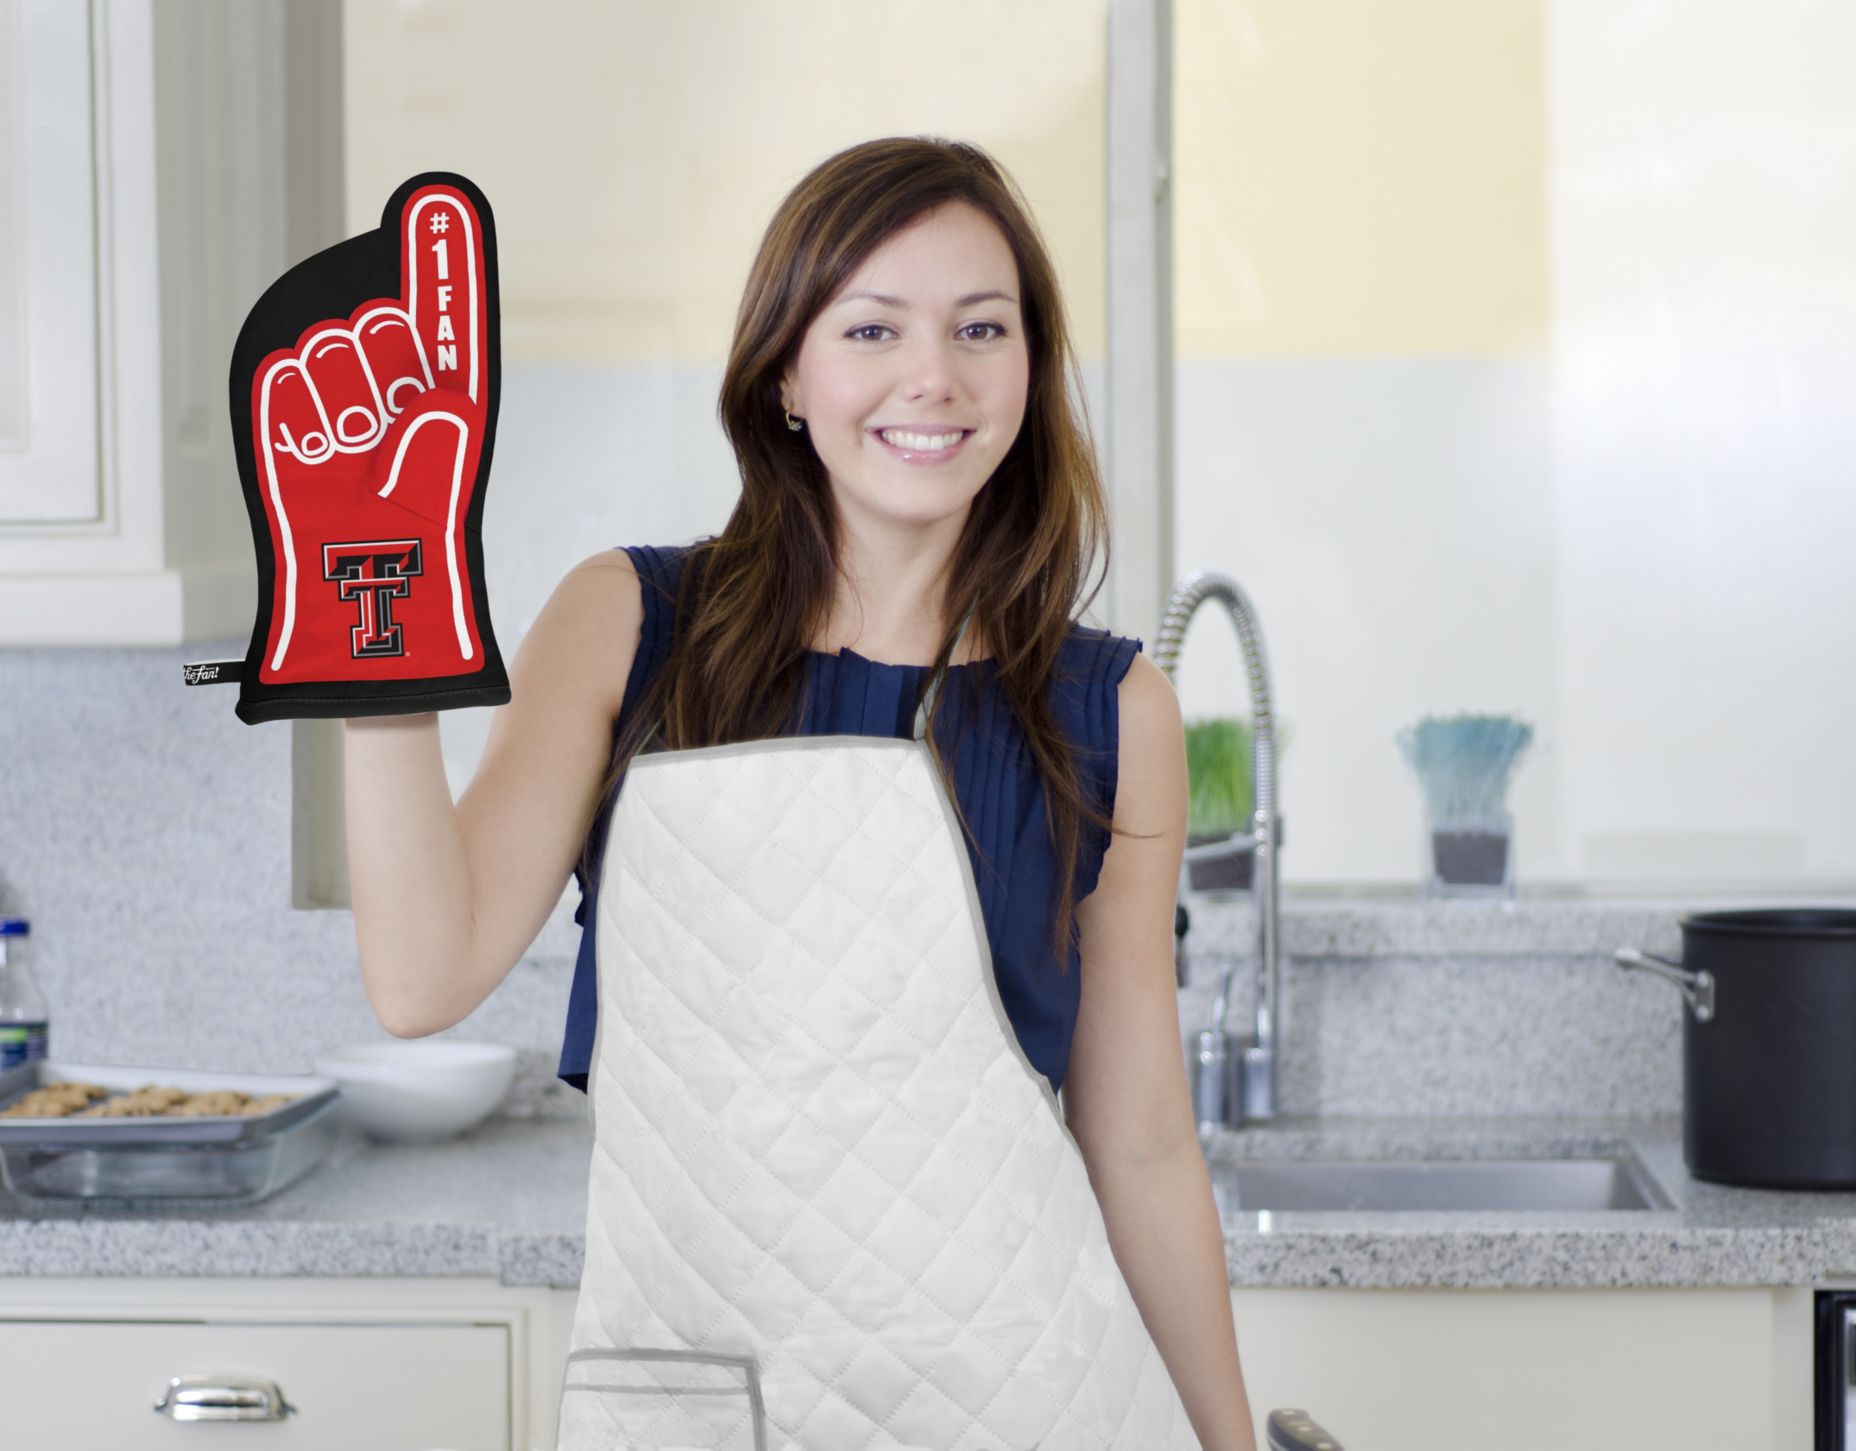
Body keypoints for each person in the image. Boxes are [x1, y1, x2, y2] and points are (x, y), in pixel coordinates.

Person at [342, 135, 1256, 1449]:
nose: (930, 377)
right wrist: (373, 639)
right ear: (786, 372)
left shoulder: (1111, 712)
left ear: (1031, 371)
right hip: (699, 1399)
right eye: (871, 328)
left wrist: (1229, 1445)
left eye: (980, 329)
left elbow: (1146, 1144)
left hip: (1022, 1400)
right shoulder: (630, 626)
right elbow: (422, 979)